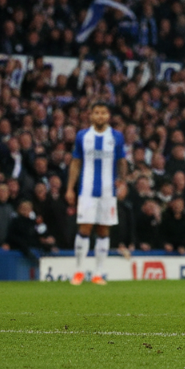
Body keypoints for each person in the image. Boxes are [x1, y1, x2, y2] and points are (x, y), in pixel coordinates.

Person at [65, 102, 127, 285]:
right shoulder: (83, 136)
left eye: (103, 113)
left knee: (103, 230)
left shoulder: (116, 136)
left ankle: (98, 273)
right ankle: (78, 271)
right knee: (84, 228)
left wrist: (123, 182)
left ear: (108, 116)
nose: (100, 116)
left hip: (108, 192)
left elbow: (122, 161)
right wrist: (70, 188)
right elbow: (76, 162)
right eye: (97, 113)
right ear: (91, 115)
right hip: (87, 191)